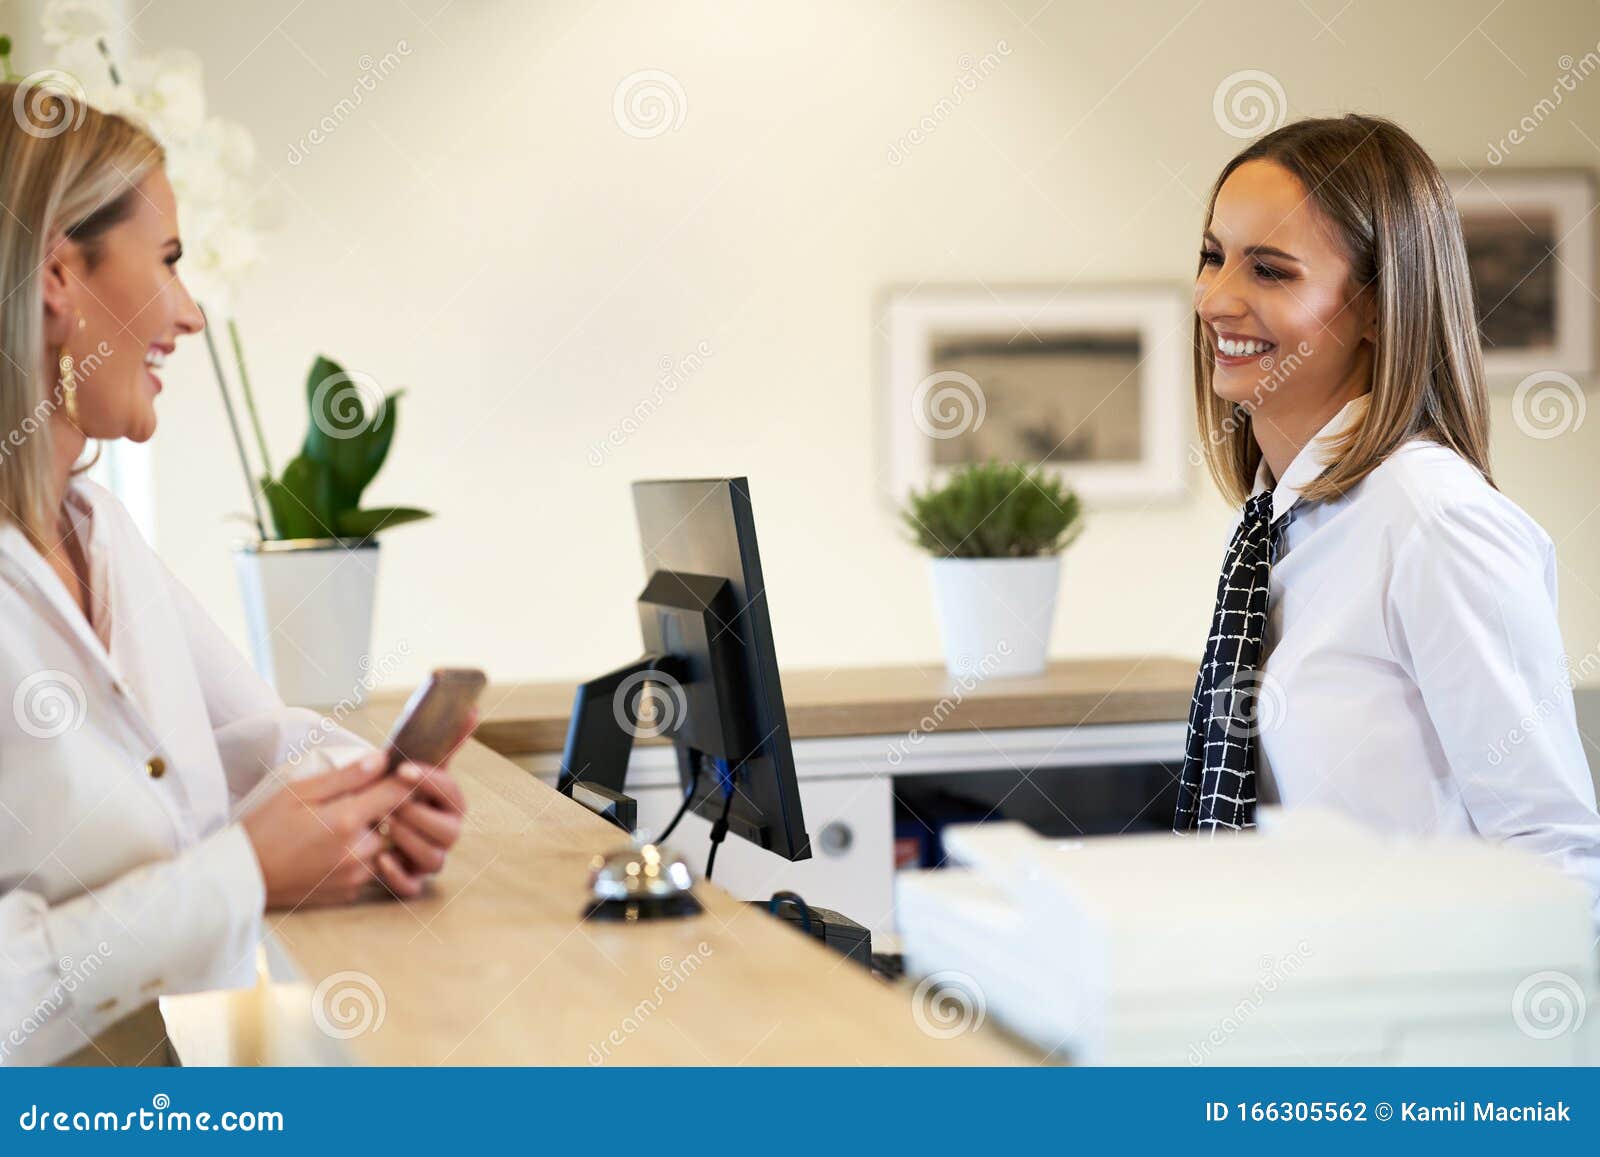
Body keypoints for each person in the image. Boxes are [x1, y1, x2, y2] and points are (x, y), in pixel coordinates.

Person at [0, 85, 469, 1067]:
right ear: (56, 274)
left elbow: (249, 737)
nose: (190, 312)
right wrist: (241, 872)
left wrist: (376, 806)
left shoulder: (96, 531)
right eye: (167, 262)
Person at [1175, 113, 1600, 927]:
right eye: (1212, 256)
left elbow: (1559, 859)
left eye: (1269, 270)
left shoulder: (1435, 523)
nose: (1216, 298)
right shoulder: (1281, 527)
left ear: (1377, 308)